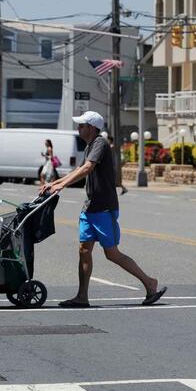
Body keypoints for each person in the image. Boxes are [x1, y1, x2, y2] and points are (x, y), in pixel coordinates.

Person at [40, 111, 167, 307]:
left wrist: (61, 186)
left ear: (91, 127)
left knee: (112, 253)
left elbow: (87, 168)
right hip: (90, 207)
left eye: (81, 125)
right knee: (84, 250)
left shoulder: (99, 143)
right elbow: (79, 170)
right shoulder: (90, 145)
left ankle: (150, 282)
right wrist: (55, 183)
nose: (78, 128)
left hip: (103, 208)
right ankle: (82, 297)